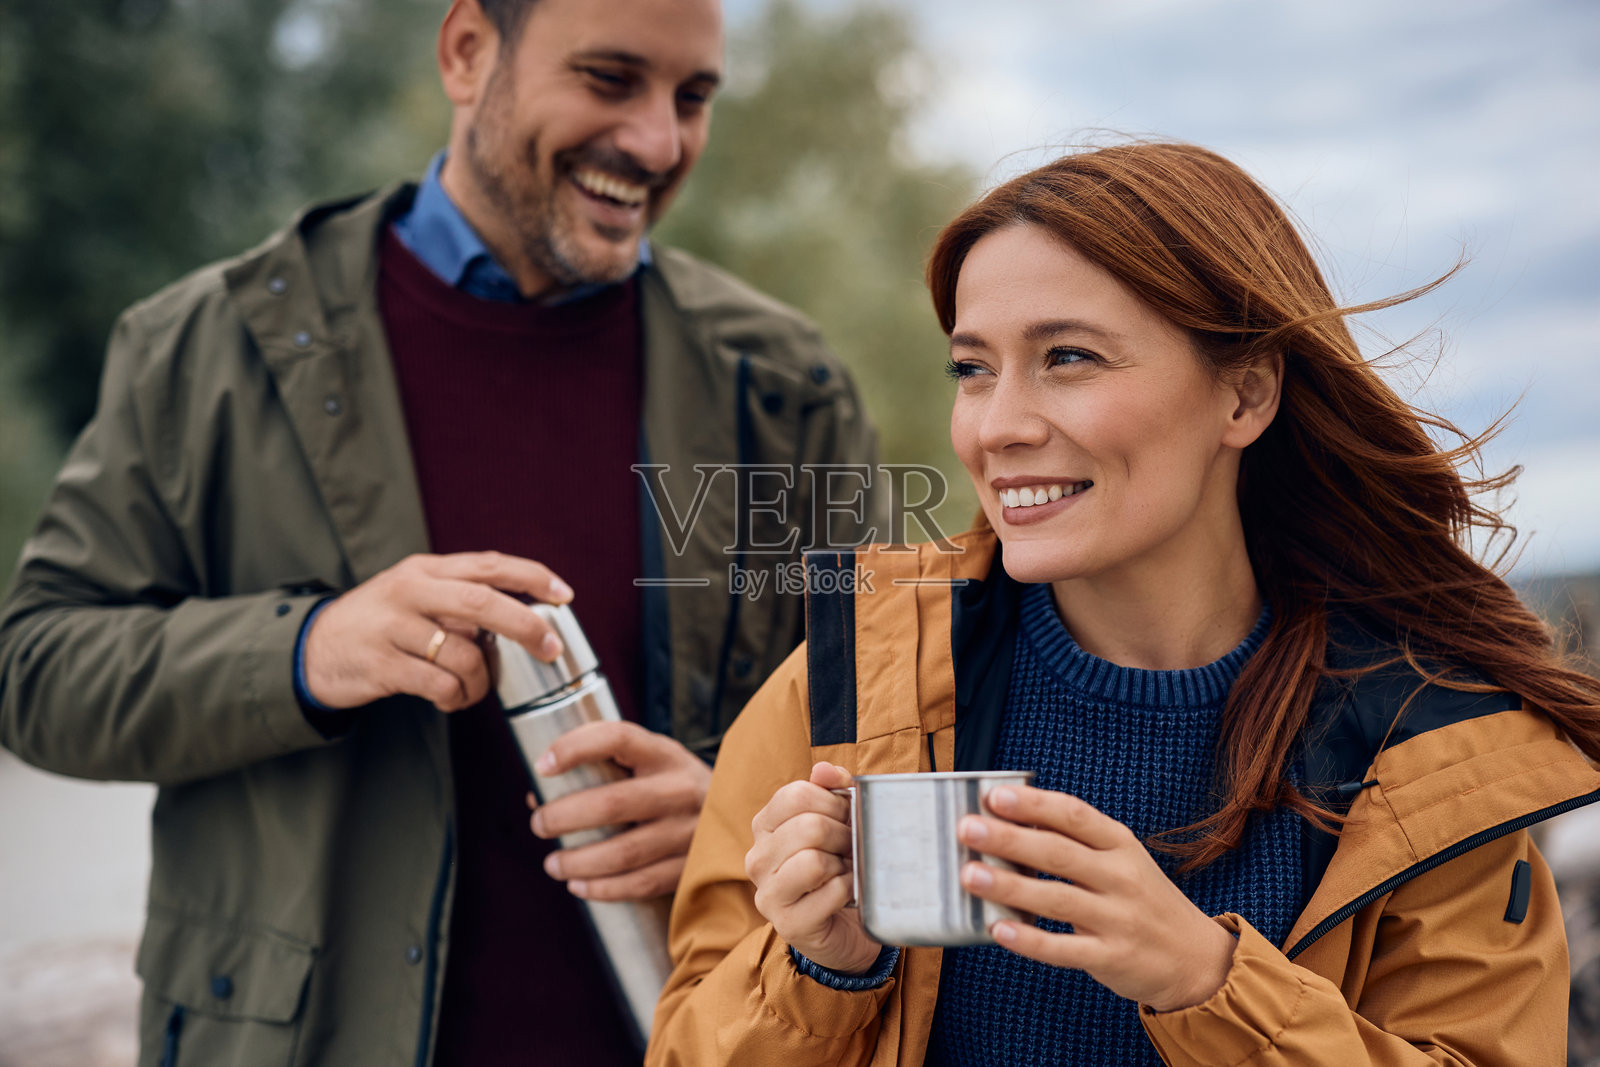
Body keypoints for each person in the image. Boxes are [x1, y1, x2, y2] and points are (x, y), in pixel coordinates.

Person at [0, 0, 880, 1063]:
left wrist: (741, 811)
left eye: (691, 97)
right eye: (610, 79)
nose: (657, 141)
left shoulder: (789, 385)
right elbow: (36, 669)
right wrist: (308, 648)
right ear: (467, 52)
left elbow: (883, 721)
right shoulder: (202, 345)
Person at [645, 141, 1600, 1066]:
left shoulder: (1431, 748)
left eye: (1068, 357)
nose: (999, 427)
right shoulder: (847, 684)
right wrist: (817, 968)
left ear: (1247, 394)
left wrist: (1206, 981)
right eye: (972, 369)